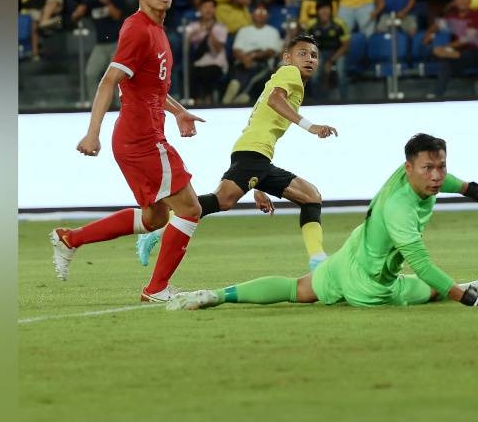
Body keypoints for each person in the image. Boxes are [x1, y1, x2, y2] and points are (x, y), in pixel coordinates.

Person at [167, 133, 478, 311]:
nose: (437, 176)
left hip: (348, 258)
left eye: (441, 167)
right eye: (429, 169)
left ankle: (216, 295)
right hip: (371, 288)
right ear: (409, 168)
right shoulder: (400, 211)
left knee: (296, 288)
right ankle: (470, 289)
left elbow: (445, 182)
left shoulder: (408, 176)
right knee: (430, 289)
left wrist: (474, 191)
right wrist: (467, 300)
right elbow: (421, 264)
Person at [50, 0, 205, 302]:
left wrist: (179, 111)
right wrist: (93, 133)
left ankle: (69, 239)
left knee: (154, 217)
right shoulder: (138, 30)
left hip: (141, 136)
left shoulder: (154, 29)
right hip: (143, 138)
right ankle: (157, 289)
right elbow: (109, 81)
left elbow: (151, 88)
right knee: (190, 209)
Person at [138, 34, 338, 273]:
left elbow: (260, 122)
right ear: (288, 58)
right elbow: (275, 101)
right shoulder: (289, 74)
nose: (309, 59)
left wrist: (259, 185)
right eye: (302, 53)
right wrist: (310, 126)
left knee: (309, 196)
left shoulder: (286, 80)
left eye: (314, 55)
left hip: (253, 155)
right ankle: (157, 229)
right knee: (223, 201)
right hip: (253, 154)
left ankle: (317, 260)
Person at [72, 0, 131, 102]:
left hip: (117, 44)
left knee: (116, 78)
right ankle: (95, 105)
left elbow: (117, 16)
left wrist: (106, 1)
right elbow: (76, 16)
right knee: (91, 73)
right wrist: (78, 12)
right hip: (100, 45)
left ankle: (120, 107)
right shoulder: (91, 1)